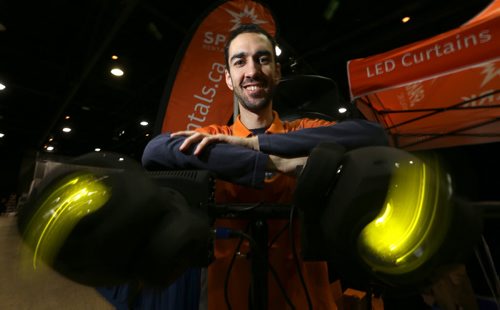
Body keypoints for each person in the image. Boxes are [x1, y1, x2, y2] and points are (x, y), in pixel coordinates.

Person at [142, 24, 388, 310]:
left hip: (306, 300)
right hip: (229, 299)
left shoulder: (302, 130)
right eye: (240, 61)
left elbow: (372, 135)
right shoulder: (215, 135)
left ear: (278, 72)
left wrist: (257, 145)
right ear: (229, 79)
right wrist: (273, 164)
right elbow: (155, 150)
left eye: (262, 59)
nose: (252, 71)